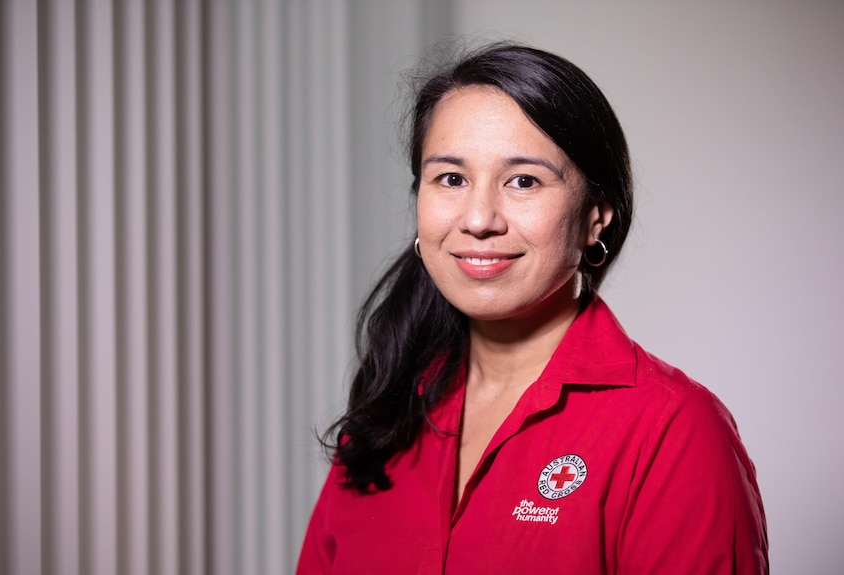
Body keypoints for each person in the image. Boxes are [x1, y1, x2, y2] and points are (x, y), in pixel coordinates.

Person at [297, 43, 768, 574]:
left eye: (524, 180)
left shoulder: (671, 429)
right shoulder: (385, 417)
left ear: (596, 217)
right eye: (451, 178)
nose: (478, 219)